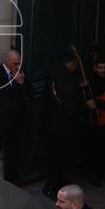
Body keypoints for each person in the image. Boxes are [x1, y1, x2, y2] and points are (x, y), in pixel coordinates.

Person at [44, 49, 95, 199]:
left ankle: (57, 180)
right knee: (57, 156)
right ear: (72, 63)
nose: (77, 67)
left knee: (57, 155)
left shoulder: (55, 73)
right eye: (76, 64)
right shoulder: (66, 79)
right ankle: (51, 186)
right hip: (62, 125)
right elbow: (71, 106)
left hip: (53, 122)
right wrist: (87, 106)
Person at [0, 49, 33, 185]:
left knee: (13, 154)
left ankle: (12, 182)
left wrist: (22, 83)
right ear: (7, 61)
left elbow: (31, 94)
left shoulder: (21, 74)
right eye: (15, 63)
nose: (18, 66)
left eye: (19, 63)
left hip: (16, 123)